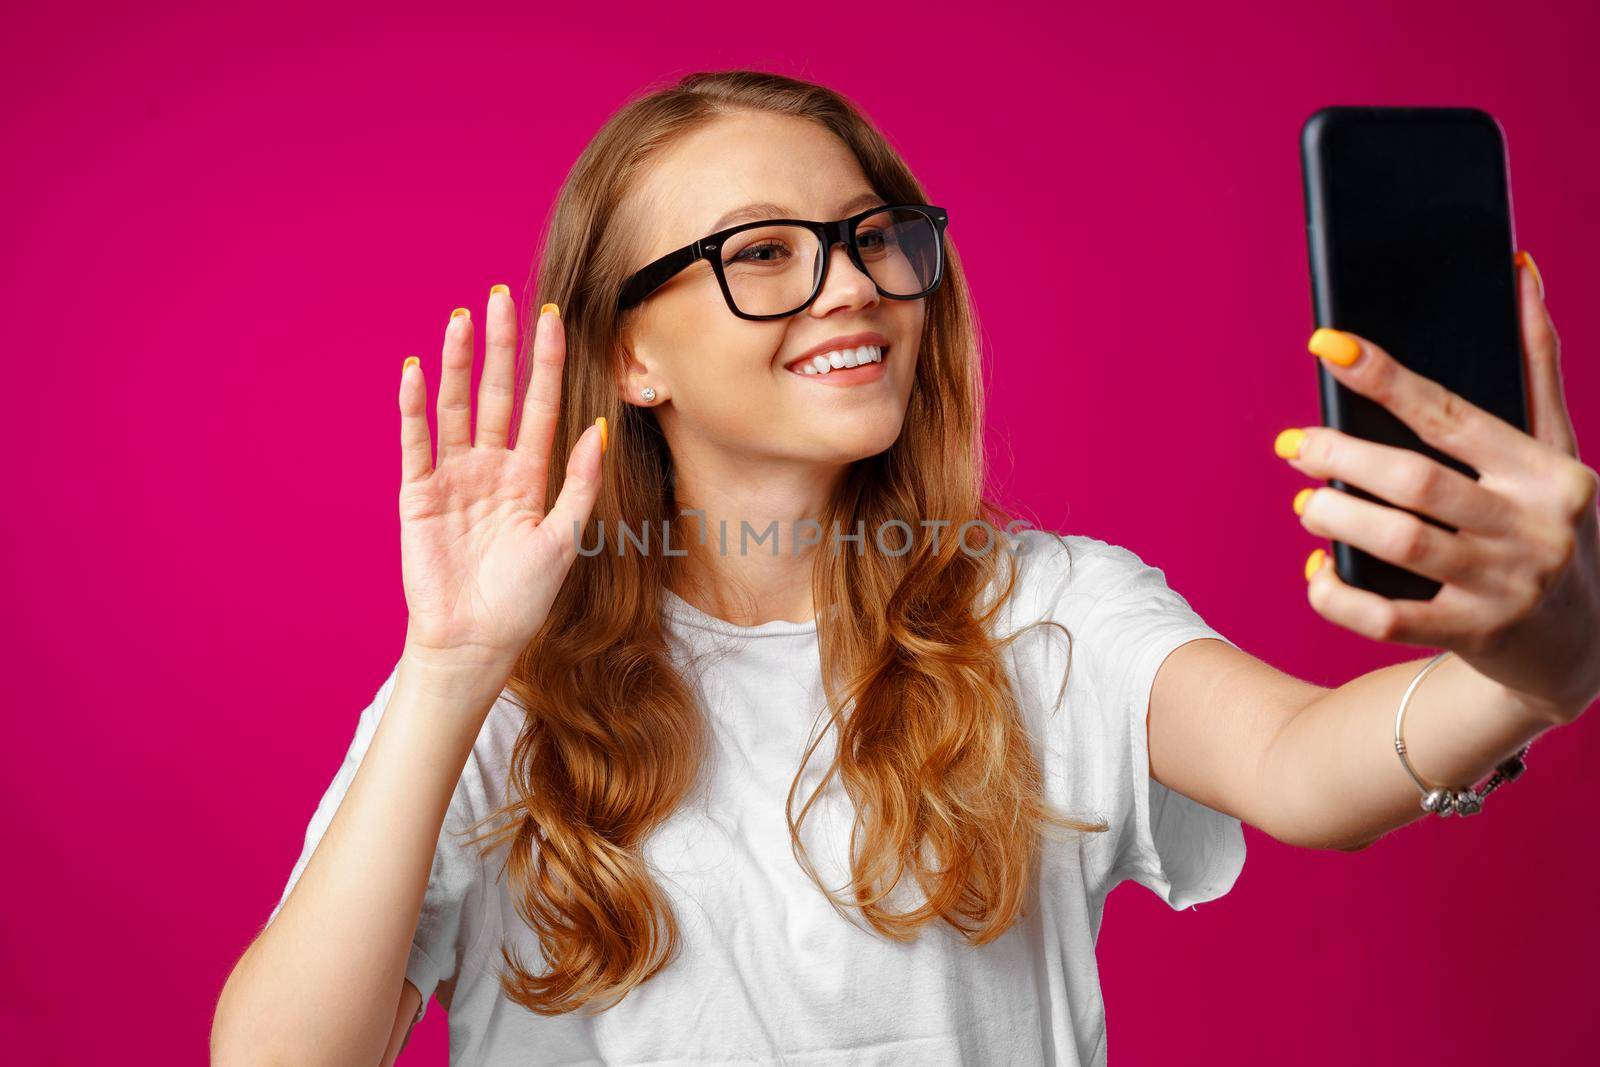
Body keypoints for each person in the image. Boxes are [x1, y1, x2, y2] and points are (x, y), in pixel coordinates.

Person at [211, 69, 1597, 1066]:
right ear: (631, 357)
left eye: (875, 235)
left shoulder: (1044, 610)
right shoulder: (495, 686)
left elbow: (1309, 770)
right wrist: (450, 675)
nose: (854, 284)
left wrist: (1539, 663)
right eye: (763, 254)